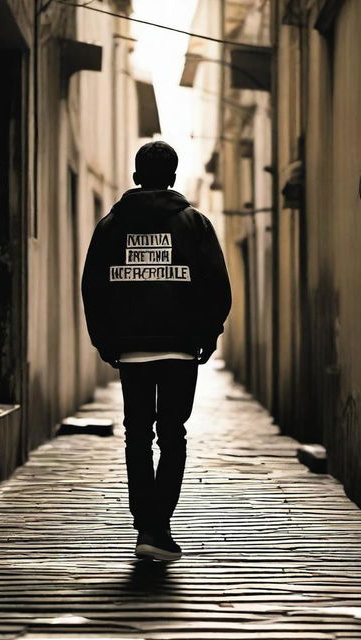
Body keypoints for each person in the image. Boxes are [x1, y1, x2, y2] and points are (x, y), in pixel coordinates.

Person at [81, 141, 231, 561]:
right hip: (181, 349)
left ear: (135, 177)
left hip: (132, 353)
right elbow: (217, 287)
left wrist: (105, 340)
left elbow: (93, 287)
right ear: (173, 176)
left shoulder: (111, 226)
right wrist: (209, 333)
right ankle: (158, 525)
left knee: (138, 437)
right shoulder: (194, 224)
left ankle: (145, 524)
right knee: (172, 436)